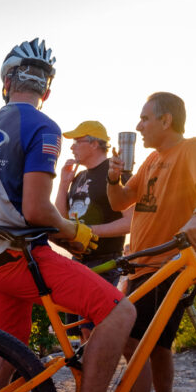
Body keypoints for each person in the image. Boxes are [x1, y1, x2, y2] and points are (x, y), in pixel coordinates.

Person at [0, 38, 140, 392]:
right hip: (22, 256)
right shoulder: (42, 125)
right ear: (47, 89)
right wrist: (77, 233)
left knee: (4, 353)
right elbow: (37, 210)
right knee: (120, 312)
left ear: (6, 82)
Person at [105, 92, 196, 392]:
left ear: (166, 120)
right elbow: (121, 202)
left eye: (145, 118)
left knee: (134, 344)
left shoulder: (192, 148)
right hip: (143, 264)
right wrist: (112, 178)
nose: (138, 126)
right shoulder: (152, 159)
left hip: (169, 265)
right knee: (158, 346)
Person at [54, 120, 133, 342]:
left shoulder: (115, 173)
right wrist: (63, 184)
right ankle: (87, 375)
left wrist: (89, 230)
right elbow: (62, 219)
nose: (72, 147)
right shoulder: (79, 177)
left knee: (95, 328)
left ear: (94, 144)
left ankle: (100, 374)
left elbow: (130, 222)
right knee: (82, 330)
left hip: (106, 261)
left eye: (77, 142)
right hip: (78, 261)